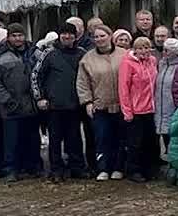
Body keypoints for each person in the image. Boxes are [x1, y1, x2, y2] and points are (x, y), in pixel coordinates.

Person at [33, 22, 87, 182]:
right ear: (59, 35)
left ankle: (77, 167)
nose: (67, 36)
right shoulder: (49, 54)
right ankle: (56, 169)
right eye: (64, 33)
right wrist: (39, 97)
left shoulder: (81, 53)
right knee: (55, 140)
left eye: (70, 34)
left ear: (75, 36)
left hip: (75, 104)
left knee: (75, 138)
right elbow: (36, 76)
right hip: (53, 105)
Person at [0, 24, 40, 182]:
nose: (18, 39)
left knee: (32, 138)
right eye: (14, 35)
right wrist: (6, 99)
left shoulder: (34, 52)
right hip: (11, 105)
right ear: (8, 37)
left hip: (31, 104)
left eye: (20, 35)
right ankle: (11, 169)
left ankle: (34, 166)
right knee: (11, 141)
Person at [77, 23, 125, 181]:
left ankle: (118, 167)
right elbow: (82, 83)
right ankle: (103, 168)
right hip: (100, 105)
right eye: (96, 37)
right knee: (102, 137)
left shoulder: (124, 54)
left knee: (120, 137)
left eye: (102, 36)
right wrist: (87, 102)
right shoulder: (87, 58)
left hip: (121, 104)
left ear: (110, 37)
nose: (99, 39)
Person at [118, 36, 159, 183]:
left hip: (151, 109)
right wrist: (127, 111)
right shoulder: (127, 64)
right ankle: (134, 170)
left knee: (150, 141)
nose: (144, 51)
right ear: (134, 50)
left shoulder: (153, 61)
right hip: (136, 110)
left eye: (147, 47)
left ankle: (149, 169)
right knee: (135, 143)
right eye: (140, 48)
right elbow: (123, 88)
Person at [154, 39, 178, 153]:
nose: (163, 52)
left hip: (174, 104)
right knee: (164, 132)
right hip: (160, 103)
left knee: (174, 131)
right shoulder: (162, 63)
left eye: (166, 50)